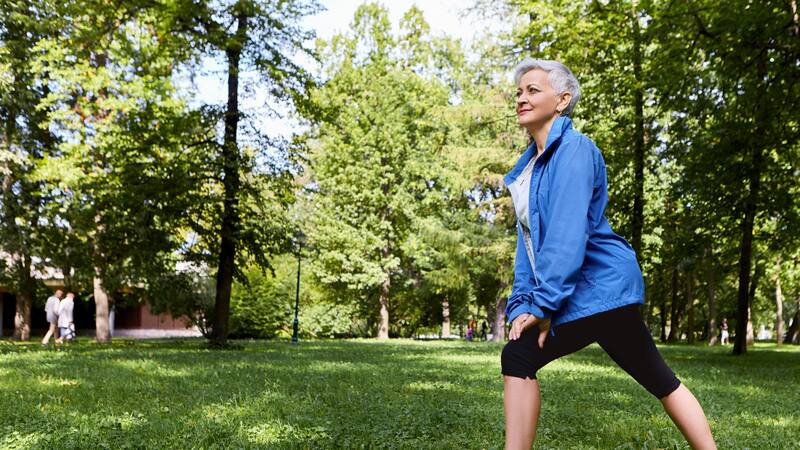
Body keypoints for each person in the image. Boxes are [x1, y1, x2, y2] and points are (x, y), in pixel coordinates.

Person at [500, 58, 716, 449]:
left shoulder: (575, 151)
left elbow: (567, 236)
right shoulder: (529, 169)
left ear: (563, 100)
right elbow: (527, 246)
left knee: (518, 357)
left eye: (533, 90)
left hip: (598, 284)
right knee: (660, 378)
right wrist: (520, 305)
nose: (521, 98)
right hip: (592, 291)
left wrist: (545, 304)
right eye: (519, 92)